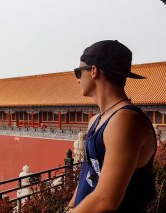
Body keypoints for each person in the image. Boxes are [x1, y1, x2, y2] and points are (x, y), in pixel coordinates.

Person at [66, 40, 157, 212]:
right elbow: (88, 174)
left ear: (93, 71)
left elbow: (105, 200)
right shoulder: (96, 121)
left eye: (78, 72)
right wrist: (69, 207)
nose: (78, 80)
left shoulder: (125, 120)